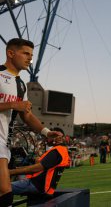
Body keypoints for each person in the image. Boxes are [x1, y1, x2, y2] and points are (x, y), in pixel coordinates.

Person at [0, 38, 62, 207]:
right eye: (25, 53)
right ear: (11, 53)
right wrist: (12, 104)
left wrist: (46, 132)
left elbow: (26, 116)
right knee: (5, 192)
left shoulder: (21, 85)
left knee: (4, 192)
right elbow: (16, 106)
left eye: (31, 55)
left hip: (5, 143)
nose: (29, 58)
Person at [9, 128, 69, 196]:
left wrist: (11, 172)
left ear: (57, 137)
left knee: (4, 187)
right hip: (39, 184)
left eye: (49, 136)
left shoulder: (57, 151)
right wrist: (17, 169)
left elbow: (37, 168)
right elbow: (41, 166)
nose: (47, 139)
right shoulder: (61, 150)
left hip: (36, 185)